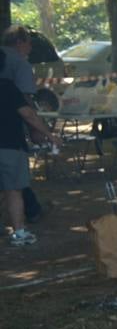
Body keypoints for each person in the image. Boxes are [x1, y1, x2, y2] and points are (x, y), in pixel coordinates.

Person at [0, 52, 57, 246]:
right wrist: (49, 135)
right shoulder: (8, 87)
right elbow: (28, 114)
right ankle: (19, 232)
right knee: (14, 190)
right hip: (10, 145)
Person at [0, 26, 44, 224]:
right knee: (16, 178)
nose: (30, 47)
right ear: (19, 42)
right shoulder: (20, 64)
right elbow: (25, 100)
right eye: (28, 42)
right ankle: (30, 212)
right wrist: (37, 127)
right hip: (12, 127)